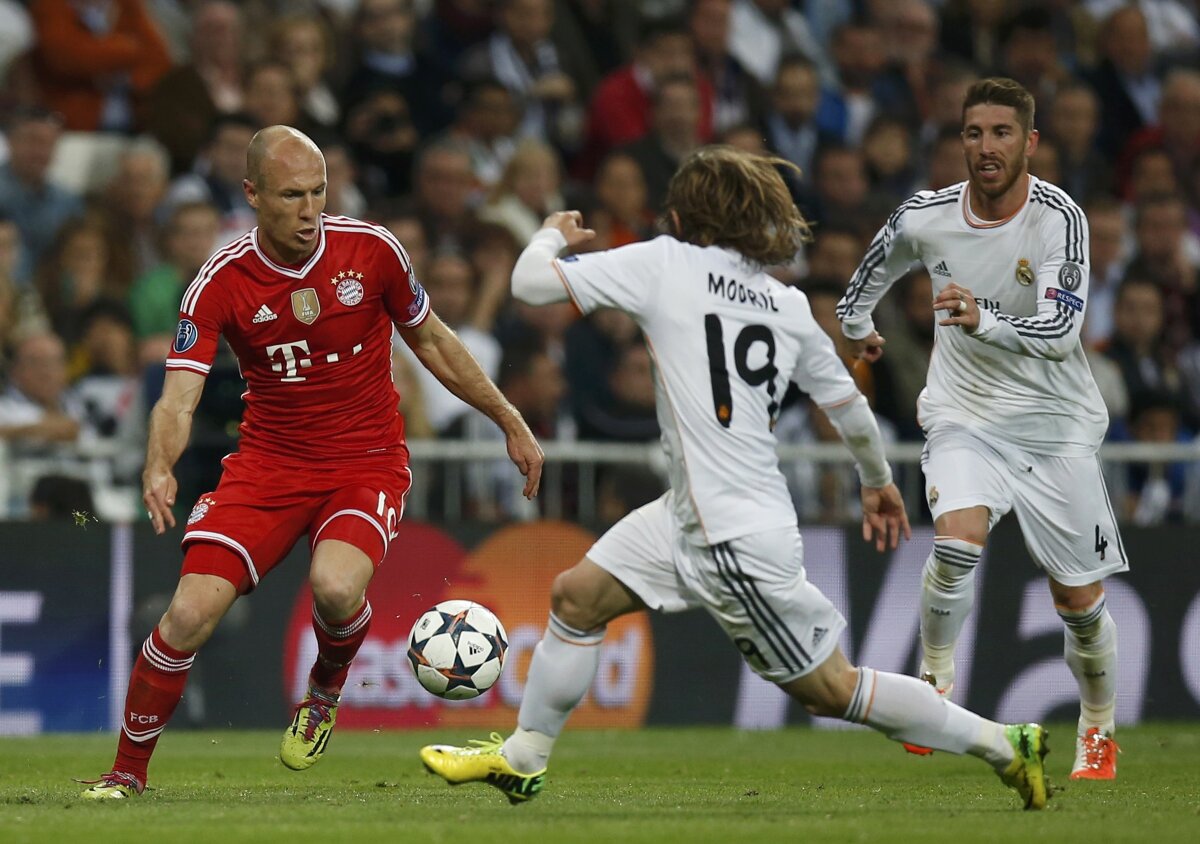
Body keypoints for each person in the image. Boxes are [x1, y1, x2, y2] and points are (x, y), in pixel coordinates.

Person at [419, 146, 1050, 811]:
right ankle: (523, 759)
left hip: (731, 536)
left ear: (689, 216)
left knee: (830, 689)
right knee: (577, 597)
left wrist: (550, 232)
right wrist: (876, 481)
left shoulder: (666, 262)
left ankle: (1005, 744)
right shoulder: (786, 304)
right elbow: (849, 409)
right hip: (695, 512)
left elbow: (530, 284)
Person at [80, 125, 545, 799]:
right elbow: (177, 399)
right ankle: (125, 775)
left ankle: (324, 691)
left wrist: (509, 419)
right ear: (252, 195)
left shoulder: (372, 251)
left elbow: (436, 343)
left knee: (334, 588)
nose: (309, 210)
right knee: (185, 616)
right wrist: (159, 465)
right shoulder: (219, 283)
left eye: (319, 192)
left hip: (366, 460)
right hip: (267, 465)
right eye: (292, 194)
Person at [834, 78, 1127, 781]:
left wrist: (985, 318)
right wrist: (859, 330)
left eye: (1001, 133)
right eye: (973, 134)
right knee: (957, 542)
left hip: (1055, 429)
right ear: (959, 141)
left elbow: (1062, 330)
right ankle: (934, 687)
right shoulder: (926, 215)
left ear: (1028, 143)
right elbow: (861, 284)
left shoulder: (1060, 217)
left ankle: (1099, 727)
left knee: (1078, 603)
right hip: (964, 414)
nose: (986, 147)